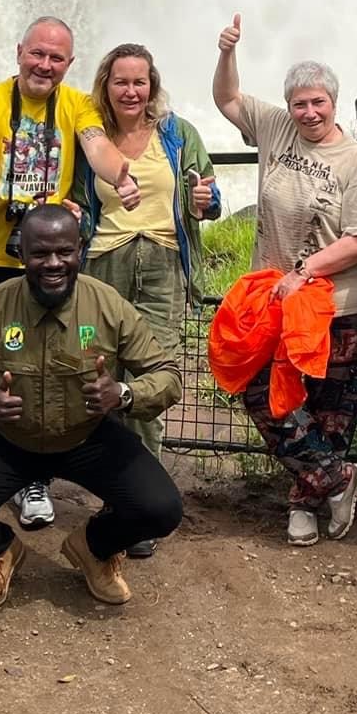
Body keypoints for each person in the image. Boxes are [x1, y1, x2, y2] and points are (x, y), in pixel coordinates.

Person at [0, 204, 184, 616]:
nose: (54, 263)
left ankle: (94, 547)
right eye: (40, 253)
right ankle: (0, 552)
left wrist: (124, 394)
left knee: (161, 508)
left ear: (80, 250)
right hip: (10, 438)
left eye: (64, 251)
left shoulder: (107, 306)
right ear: (21, 254)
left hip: (87, 435)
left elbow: (166, 374)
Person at [0, 16, 143, 531]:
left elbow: (97, 147)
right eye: (37, 54)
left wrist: (119, 175)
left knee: (46, 372)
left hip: (50, 266)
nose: (44, 65)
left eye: (56, 58)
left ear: (69, 64)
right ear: (19, 51)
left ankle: (36, 480)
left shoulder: (78, 105)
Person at [210, 13, 357, 547]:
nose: (308, 112)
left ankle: (304, 506)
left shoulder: (356, 161)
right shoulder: (276, 128)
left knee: (331, 411)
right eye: (299, 103)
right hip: (278, 301)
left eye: (318, 103)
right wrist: (226, 52)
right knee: (267, 394)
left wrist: (304, 270)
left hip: (344, 305)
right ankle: (336, 480)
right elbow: (227, 99)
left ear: (334, 103)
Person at [74, 42, 223, 558]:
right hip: (103, 267)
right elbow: (76, 195)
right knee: (101, 377)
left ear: (152, 85)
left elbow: (210, 196)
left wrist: (206, 202)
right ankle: (117, 496)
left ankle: (142, 502)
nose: (131, 91)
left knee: (149, 383)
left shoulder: (178, 134)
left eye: (140, 81)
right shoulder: (90, 137)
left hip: (161, 267)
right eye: (121, 82)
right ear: (106, 86)